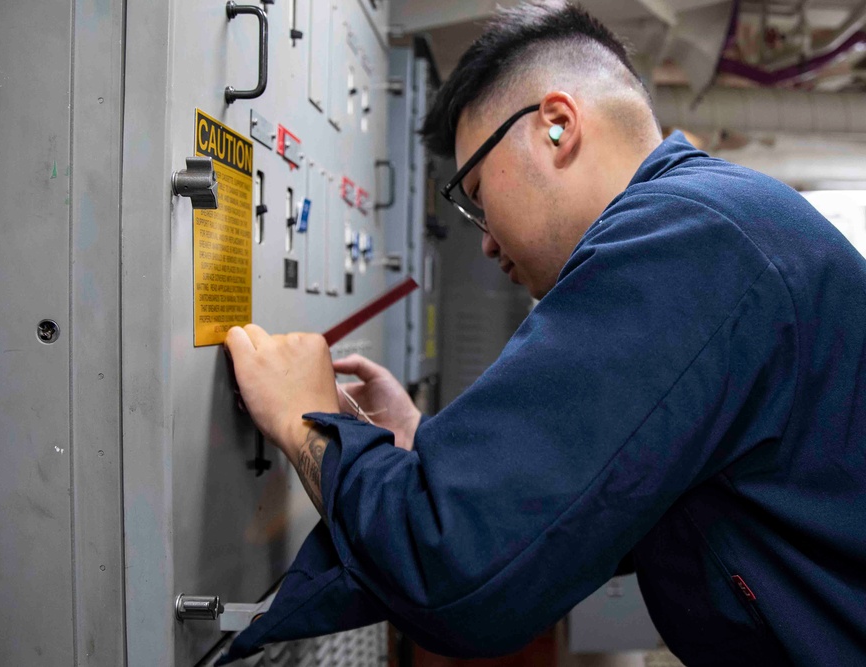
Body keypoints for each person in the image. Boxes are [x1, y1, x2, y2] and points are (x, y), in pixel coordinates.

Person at [221, 2, 866, 665]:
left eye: (477, 193)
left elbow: (457, 567)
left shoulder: (684, 241)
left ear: (557, 126)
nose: (486, 242)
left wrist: (309, 424)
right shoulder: (717, 220)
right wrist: (434, 453)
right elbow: (590, 501)